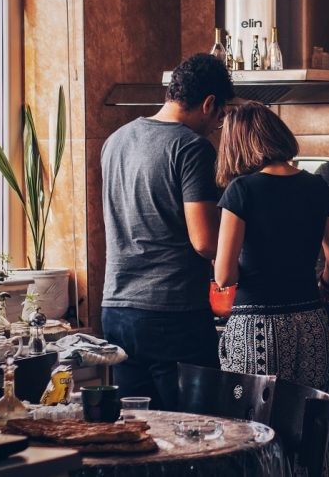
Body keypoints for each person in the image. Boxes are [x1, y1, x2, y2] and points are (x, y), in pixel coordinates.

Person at [100, 53, 234, 409]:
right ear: (209, 104)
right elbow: (205, 242)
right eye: (220, 117)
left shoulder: (115, 141)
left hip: (116, 309)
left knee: (140, 433)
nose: (215, 126)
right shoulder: (191, 148)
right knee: (198, 435)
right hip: (171, 313)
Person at [213, 102, 329, 392]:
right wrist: (323, 287)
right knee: (308, 419)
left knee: (254, 427)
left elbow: (224, 276)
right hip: (310, 321)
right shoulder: (317, 186)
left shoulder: (242, 190)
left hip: (256, 327)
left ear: (237, 145)